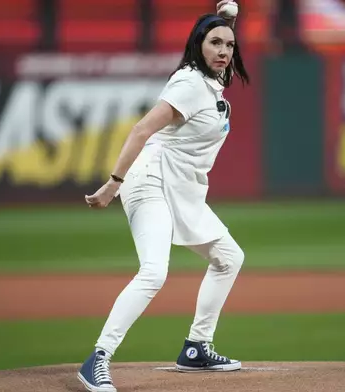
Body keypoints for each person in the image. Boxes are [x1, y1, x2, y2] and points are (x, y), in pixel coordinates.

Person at [78, 1, 250, 391]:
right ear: (197, 45)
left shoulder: (209, 80)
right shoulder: (189, 84)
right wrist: (113, 183)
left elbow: (221, 40)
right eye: (215, 43)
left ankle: (196, 347)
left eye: (229, 45)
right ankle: (97, 358)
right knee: (154, 271)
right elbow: (141, 130)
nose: (224, 51)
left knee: (229, 258)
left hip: (181, 187)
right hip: (149, 180)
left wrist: (226, 22)